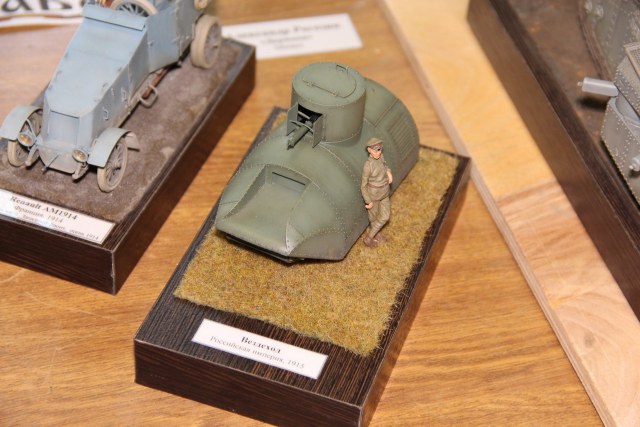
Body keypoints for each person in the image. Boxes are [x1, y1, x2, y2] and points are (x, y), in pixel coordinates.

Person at [360, 137, 393, 248]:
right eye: (375, 150)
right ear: (369, 150)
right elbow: (363, 185)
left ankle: (370, 236)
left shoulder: (381, 157)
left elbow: (385, 166)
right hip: (373, 195)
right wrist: (368, 200)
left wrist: (389, 172)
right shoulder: (368, 166)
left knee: (385, 216)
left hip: (384, 192)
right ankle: (373, 237)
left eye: (379, 149)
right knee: (373, 218)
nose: (378, 152)